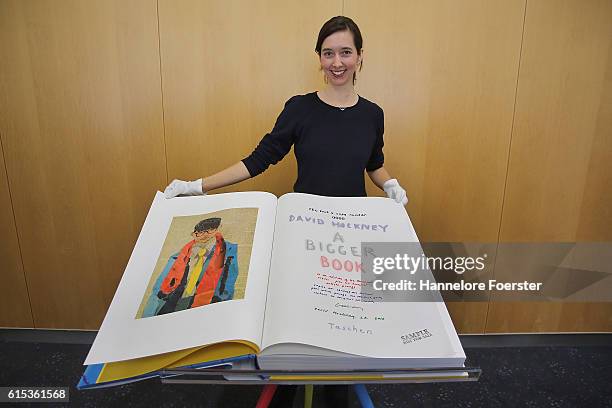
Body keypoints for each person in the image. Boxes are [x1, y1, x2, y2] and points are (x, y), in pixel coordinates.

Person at [163, 16, 408, 206]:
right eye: (328, 53)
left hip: (355, 221)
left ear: (359, 55)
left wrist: (390, 184)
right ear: (319, 58)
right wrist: (197, 186)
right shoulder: (299, 108)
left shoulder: (373, 114)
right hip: (305, 219)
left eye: (346, 52)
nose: (336, 63)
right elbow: (259, 160)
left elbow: (374, 165)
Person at [141, 217, 238, 317]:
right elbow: (159, 288)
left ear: (216, 230)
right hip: (173, 303)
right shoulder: (180, 255)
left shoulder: (227, 252)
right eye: (199, 233)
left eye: (208, 232)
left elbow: (227, 285)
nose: (204, 236)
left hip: (205, 306)